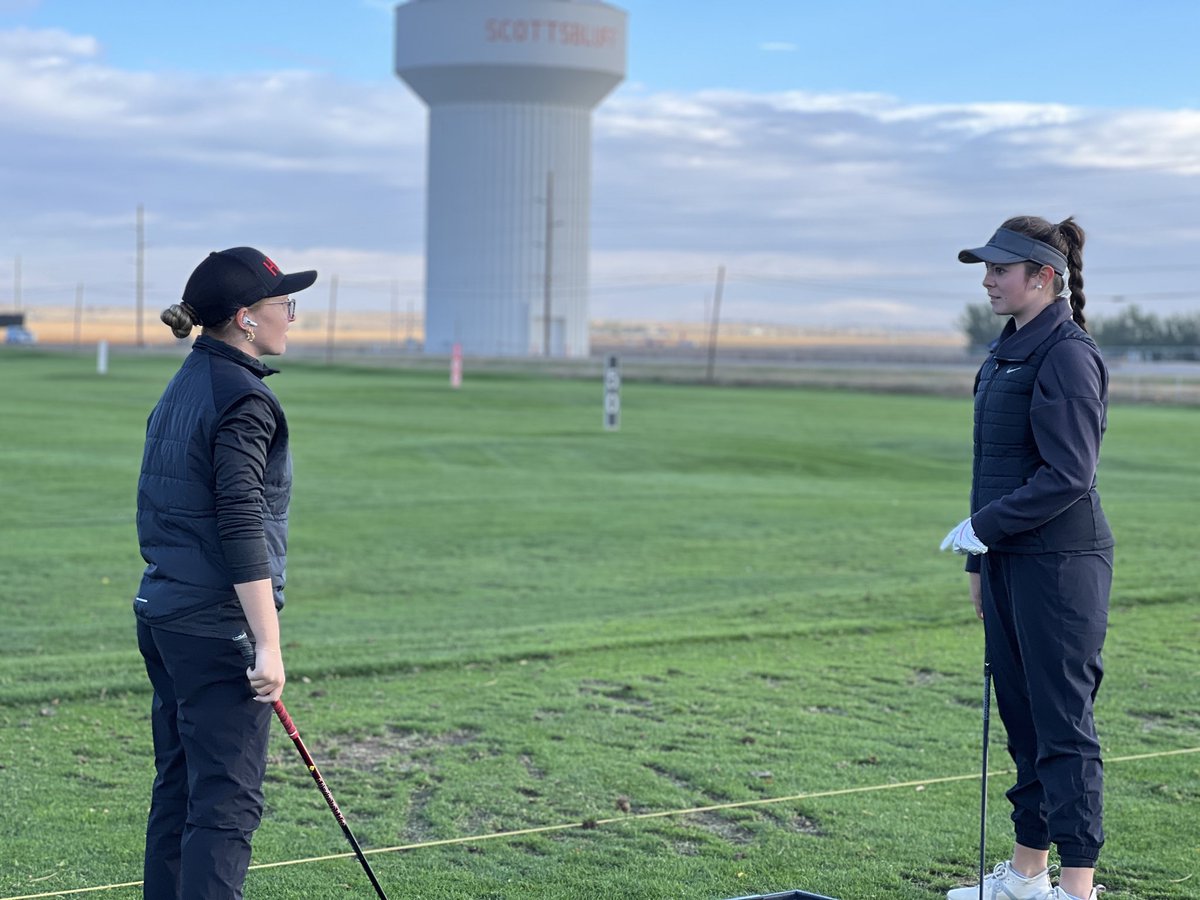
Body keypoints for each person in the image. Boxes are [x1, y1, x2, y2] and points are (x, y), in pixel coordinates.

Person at [134, 247, 317, 899]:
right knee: (224, 808)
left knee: (181, 791)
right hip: (215, 631)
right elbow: (239, 521)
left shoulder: (188, 382)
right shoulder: (244, 398)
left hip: (166, 616)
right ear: (246, 318)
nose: (291, 319)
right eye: (283, 306)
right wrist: (267, 642)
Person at [940, 217, 1113, 900]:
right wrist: (981, 561)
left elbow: (1069, 474)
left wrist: (983, 528)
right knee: (1022, 718)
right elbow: (997, 465)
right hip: (1010, 560)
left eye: (1000, 270)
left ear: (1042, 276)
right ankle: (1027, 874)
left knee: (1062, 726)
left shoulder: (1066, 354)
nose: (987, 281)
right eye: (985, 269)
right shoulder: (1009, 349)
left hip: (1061, 564)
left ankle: (1076, 889)